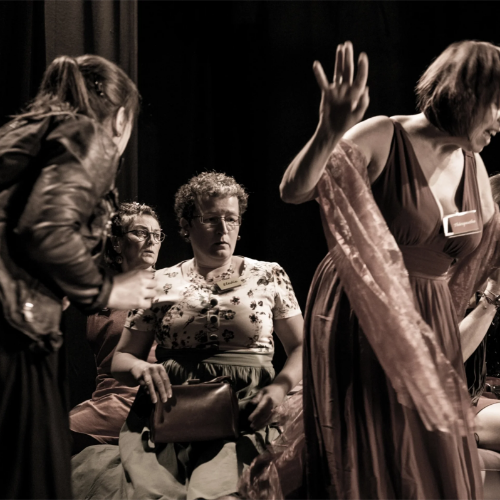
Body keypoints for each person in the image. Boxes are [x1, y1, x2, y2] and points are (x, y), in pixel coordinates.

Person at [246, 41, 500, 499]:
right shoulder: (386, 134)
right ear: (467, 97)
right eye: (496, 105)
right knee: (375, 445)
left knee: (434, 455)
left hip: (429, 315)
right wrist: (329, 129)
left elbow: (478, 251)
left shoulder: (475, 165)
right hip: (362, 309)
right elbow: (295, 190)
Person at [71, 171, 304, 500]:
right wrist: (141, 367)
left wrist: (280, 387)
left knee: (217, 492)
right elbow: (121, 358)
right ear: (185, 225)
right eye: (210, 219)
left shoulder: (268, 274)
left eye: (231, 219)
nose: (223, 229)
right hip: (172, 414)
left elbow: (301, 346)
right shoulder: (160, 282)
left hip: (244, 412)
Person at [0, 55, 157, 500]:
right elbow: (44, 229)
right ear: (122, 118)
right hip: (15, 333)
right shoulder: (87, 134)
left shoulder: (25, 133)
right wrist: (108, 288)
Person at [69, 202, 164, 455]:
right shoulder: (102, 296)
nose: (151, 241)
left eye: (157, 235)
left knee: (50, 434)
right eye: (141, 233)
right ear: (118, 242)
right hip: (105, 400)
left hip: (143, 398)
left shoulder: (169, 286)